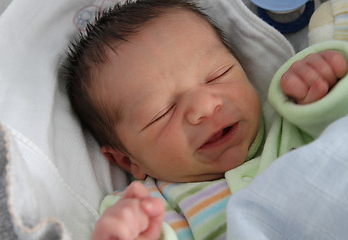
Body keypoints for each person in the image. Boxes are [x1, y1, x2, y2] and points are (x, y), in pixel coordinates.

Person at [61, 0, 348, 239]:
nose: (205, 106)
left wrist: (322, 87)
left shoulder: (290, 116)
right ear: (126, 161)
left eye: (218, 75)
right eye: (162, 112)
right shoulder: (151, 206)